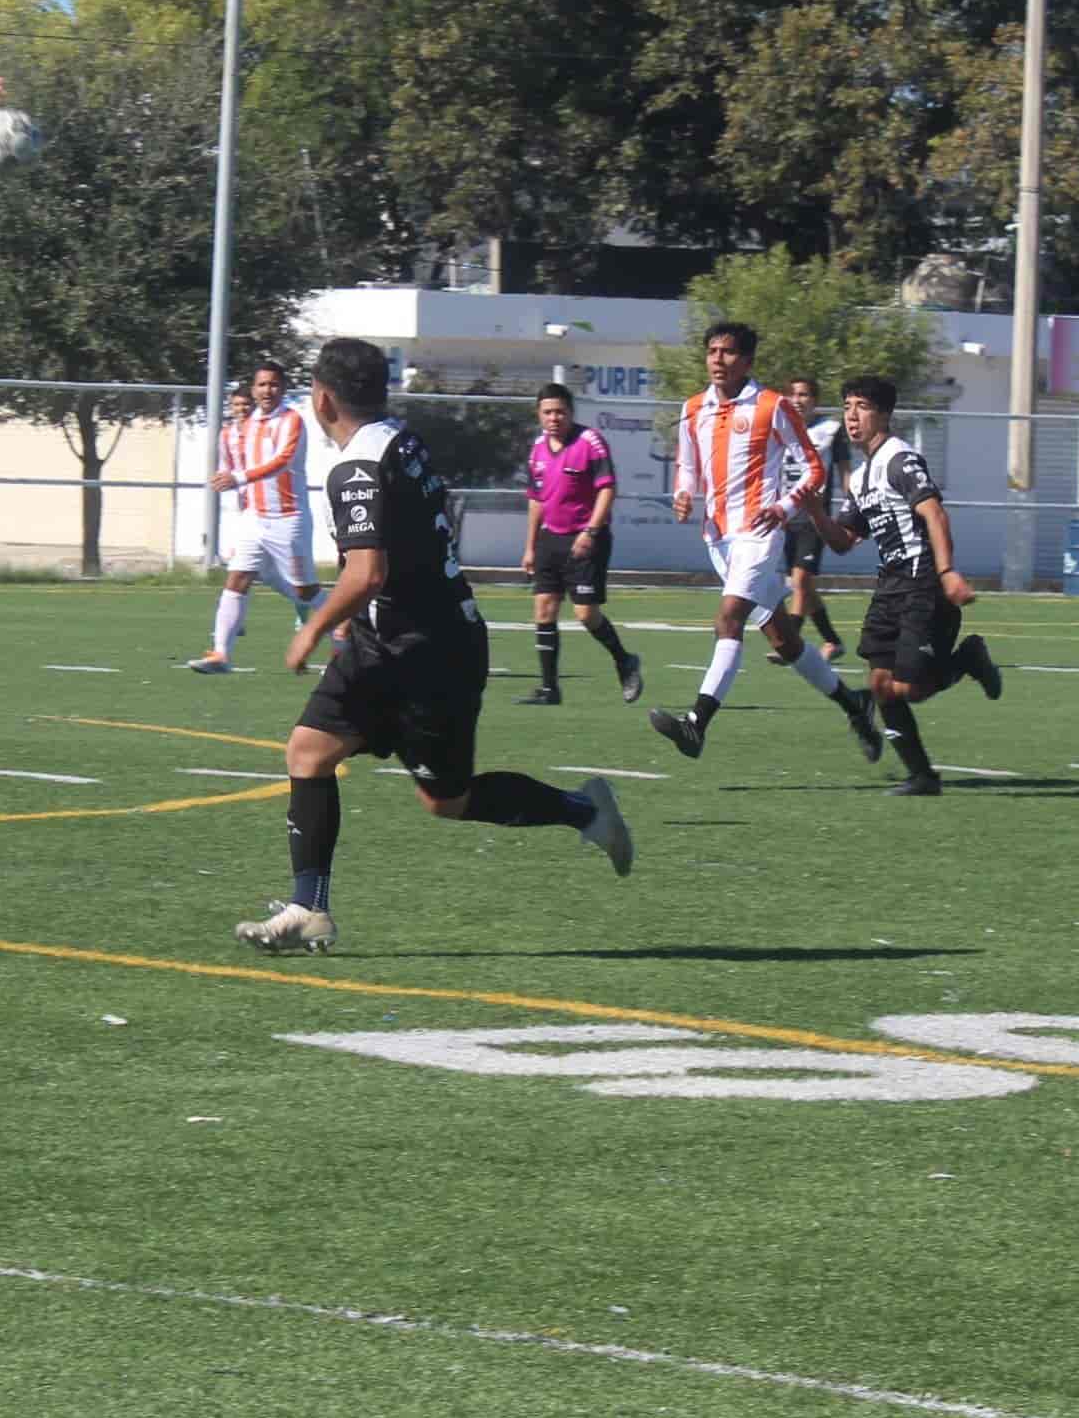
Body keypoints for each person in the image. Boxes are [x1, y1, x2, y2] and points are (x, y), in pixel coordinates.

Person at [234, 338, 633, 955]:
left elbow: (368, 569)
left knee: (448, 800)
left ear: (321, 397)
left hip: (425, 650)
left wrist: (312, 626)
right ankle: (308, 907)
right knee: (308, 752)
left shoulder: (357, 464)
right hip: (396, 638)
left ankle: (585, 811)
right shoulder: (400, 438)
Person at [644, 323, 882, 765]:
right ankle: (856, 705)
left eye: (728, 352)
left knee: (728, 618)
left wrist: (784, 509)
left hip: (759, 534)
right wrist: (682, 493)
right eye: (712, 351)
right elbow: (688, 466)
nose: (717, 359)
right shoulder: (693, 408)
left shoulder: (772, 406)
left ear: (748, 361)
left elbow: (813, 470)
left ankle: (696, 723)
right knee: (784, 640)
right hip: (718, 538)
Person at [823, 374, 1001, 795]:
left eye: (862, 407)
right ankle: (922, 776)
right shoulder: (861, 478)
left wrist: (947, 572)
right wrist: (814, 511)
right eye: (847, 406)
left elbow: (935, 515)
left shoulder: (900, 459)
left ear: (883, 414)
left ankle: (969, 658)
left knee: (912, 689)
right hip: (890, 586)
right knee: (882, 685)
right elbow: (843, 541)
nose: (852, 415)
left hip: (924, 581)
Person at [192, 361, 322, 673]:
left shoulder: (292, 421)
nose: (268, 390)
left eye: (274, 385)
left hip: (288, 518)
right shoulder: (246, 427)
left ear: (283, 388)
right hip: (254, 518)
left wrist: (238, 478)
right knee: (237, 579)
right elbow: (239, 466)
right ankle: (221, 654)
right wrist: (232, 483)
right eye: (262, 385)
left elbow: (282, 462)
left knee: (305, 591)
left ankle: (346, 634)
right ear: (254, 390)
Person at [518, 383, 643, 705]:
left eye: (560, 411)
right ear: (538, 415)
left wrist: (590, 532)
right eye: (547, 412)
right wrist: (530, 547)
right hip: (550, 538)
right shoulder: (537, 449)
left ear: (571, 412)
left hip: (585, 539)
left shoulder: (590, 442)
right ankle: (550, 689)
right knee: (544, 611)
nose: (554, 417)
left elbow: (607, 489)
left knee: (586, 614)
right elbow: (535, 500)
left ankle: (624, 660)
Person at [779, 376, 849, 657]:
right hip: (785, 517)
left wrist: (850, 507)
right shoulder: (780, 429)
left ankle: (790, 641)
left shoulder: (831, 430)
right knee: (803, 586)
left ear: (815, 401)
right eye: (793, 394)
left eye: (805, 394)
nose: (799, 400)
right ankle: (833, 640)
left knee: (801, 581)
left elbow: (845, 471)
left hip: (814, 518)